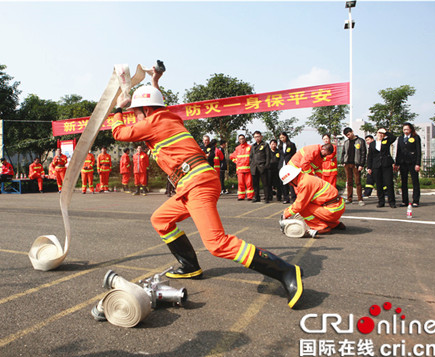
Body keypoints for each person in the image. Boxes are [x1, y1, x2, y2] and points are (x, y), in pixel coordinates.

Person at [111, 67, 304, 309]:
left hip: (197, 183)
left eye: (135, 113)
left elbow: (119, 132)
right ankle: (190, 266)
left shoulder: (154, 121)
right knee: (161, 219)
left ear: (146, 111)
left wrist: (118, 108)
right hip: (190, 185)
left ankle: (285, 271)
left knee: (217, 243)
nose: (135, 118)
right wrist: (154, 81)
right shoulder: (165, 117)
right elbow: (156, 104)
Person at [280, 165, 346, 234]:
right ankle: (335, 224)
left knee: (304, 208)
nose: (290, 185)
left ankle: (321, 227)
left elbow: (299, 205)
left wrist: (286, 213)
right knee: (310, 205)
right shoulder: (306, 178)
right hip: (338, 206)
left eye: (289, 182)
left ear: (292, 179)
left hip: (333, 210)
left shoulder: (304, 184)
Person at [367, 128, 397, 208]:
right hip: (376, 166)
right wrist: (369, 167)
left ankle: (392, 202)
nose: (380, 135)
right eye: (379, 133)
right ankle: (381, 201)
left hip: (386, 165)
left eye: (382, 134)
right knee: (379, 184)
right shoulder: (372, 144)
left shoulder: (386, 141)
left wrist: (386, 132)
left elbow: (393, 138)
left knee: (389, 183)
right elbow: (370, 156)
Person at [395, 123, 421, 207]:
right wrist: (397, 163)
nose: (405, 131)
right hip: (403, 163)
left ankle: (415, 201)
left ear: (411, 129)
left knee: (415, 181)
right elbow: (398, 151)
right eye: (404, 129)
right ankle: (404, 201)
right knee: (404, 182)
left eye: (407, 129)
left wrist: (418, 163)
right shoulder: (400, 138)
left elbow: (418, 151)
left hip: (412, 162)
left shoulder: (415, 137)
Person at [340, 127, 366, 206]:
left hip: (356, 164)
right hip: (347, 164)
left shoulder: (360, 141)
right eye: (346, 135)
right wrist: (343, 161)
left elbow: (363, 153)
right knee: (349, 182)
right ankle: (349, 198)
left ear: (352, 132)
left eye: (348, 134)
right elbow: (343, 152)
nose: (348, 136)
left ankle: (360, 199)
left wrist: (361, 164)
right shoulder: (346, 142)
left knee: (358, 182)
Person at [230, 134, 254, 201]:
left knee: (249, 184)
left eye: (242, 138)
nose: (241, 140)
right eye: (240, 139)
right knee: (241, 184)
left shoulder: (250, 147)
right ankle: (241, 196)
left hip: (248, 169)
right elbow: (231, 156)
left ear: (245, 139)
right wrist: (236, 161)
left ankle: (250, 196)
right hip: (240, 170)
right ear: (238, 140)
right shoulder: (237, 148)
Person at [249, 131, 271, 203]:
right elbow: (251, 156)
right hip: (254, 167)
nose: (257, 138)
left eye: (258, 136)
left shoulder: (265, 145)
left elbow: (268, 155)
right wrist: (251, 164)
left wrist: (266, 165)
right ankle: (256, 197)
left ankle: (266, 198)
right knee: (255, 184)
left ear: (261, 136)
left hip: (262, 166)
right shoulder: (253, 146)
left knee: (265, 184)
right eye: (255, 137)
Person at [278, 132, 297, 204]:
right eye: (280, 138)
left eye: (283, 137)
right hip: (282, 166)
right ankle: (286, 198)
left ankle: (294, 198)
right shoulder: (280, 146)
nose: (282, 139)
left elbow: (294, 155)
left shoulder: (291, 145)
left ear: (286, 136)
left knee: (291, 183)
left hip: (289, 166)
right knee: (283, 183)